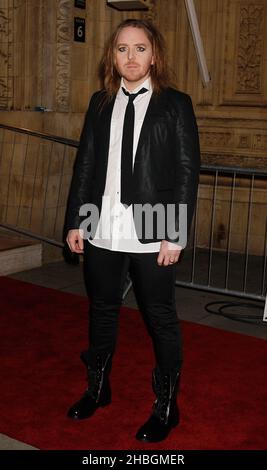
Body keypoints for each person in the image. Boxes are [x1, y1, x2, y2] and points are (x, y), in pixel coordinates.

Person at [65, 18, 200, 443]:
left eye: (139, 48)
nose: (131, 57)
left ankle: (166, 405)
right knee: (102, 309)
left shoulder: (175, 104)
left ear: (154, 54)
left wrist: (174, 233)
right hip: (102, 225)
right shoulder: (100, 102)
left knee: (159, 317)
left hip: (155, 226)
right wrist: (78, 222)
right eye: (122, 49)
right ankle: (98, 388)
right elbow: (85, 165)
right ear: (113, 56)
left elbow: (185, 172)